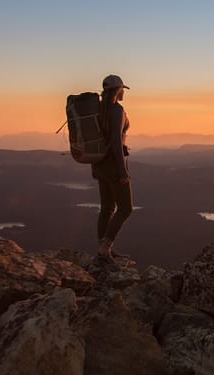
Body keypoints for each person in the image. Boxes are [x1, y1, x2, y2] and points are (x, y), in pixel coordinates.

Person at [92, 74, 133, 262]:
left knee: (107, 208)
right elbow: (116, 141)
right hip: (113, 164)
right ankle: (104, 248)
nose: (124, 91)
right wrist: (122, 170)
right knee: (125, 208)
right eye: (122, 88)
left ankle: (104, 250)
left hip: (99, 163)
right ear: (118, 90)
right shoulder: (117, 110)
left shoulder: (99, 109)